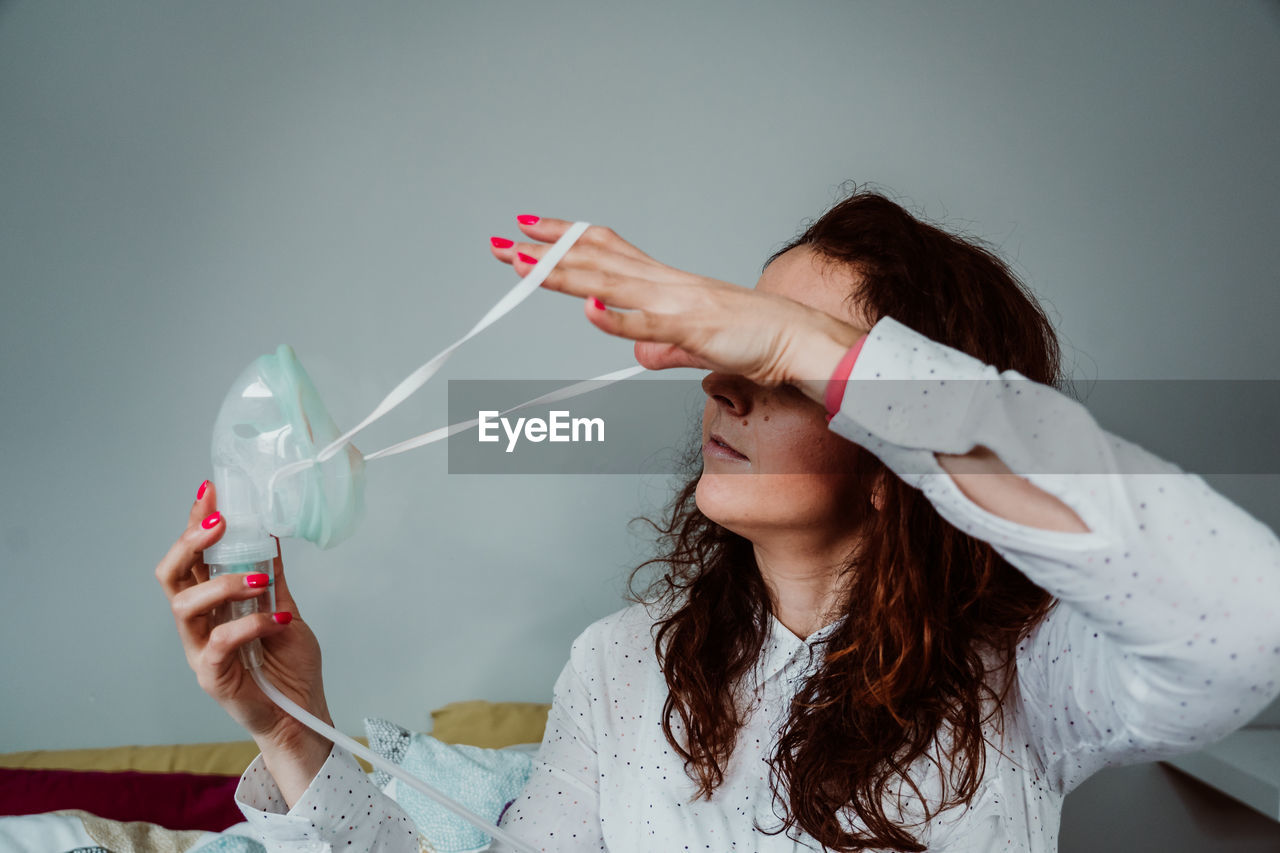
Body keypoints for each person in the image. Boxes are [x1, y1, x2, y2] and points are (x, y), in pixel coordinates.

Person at [155, 187, 1280, 851]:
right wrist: (292, 726)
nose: (722, 384)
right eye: (734, 346)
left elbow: (1246, 621)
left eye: (773, 360)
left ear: (896, 443)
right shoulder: (620, 665)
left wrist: (797, 343)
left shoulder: (1026, 671)